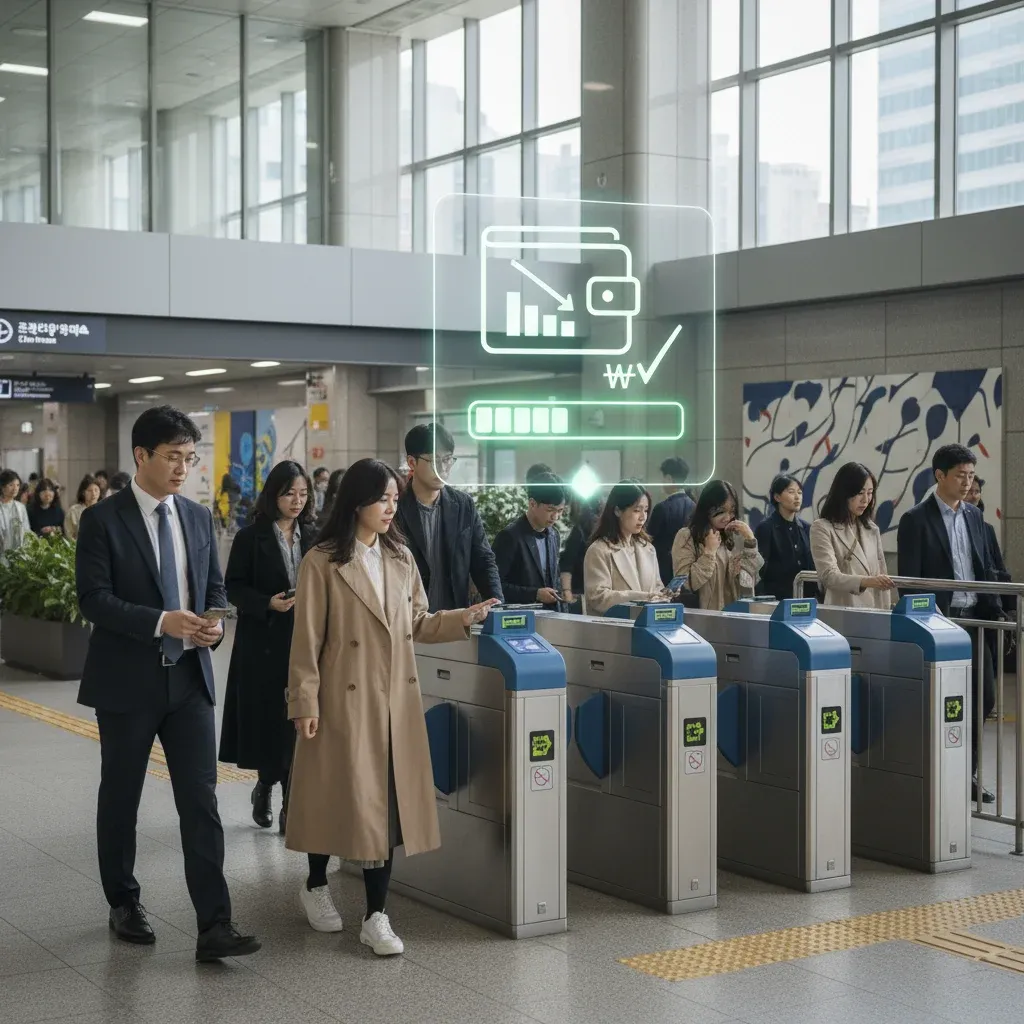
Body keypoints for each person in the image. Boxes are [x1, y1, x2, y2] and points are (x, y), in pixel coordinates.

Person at [285, 458, 497, 954]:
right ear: (357, 502)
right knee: (332, 798)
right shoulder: (322, 561)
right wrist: (304, 701)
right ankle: (315, 884)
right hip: (342, 700)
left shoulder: (400, 558)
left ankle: (376, 916)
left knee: (385, 810)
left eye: (394, 500)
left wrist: (463, 617)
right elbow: (307, 640)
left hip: (394, 701)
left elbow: (419, 621)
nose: (390, 508)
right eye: (382, 498)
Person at [75, 405, 259, 960]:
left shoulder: (198, 518)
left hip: (189, 683)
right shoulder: (103, 520)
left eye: (190, 458)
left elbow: (216, 591)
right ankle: (124, 901)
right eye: (173, 457)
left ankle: (214, 924)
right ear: (141, 456)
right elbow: (94, 600)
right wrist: (161, 622)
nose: (183, 468)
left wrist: (211, 627)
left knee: (200, 802)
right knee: (122, 797)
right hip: (127, 685)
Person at [897, 444, 1002, 803]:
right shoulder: (915, 519)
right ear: (939, 475)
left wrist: (999, 609)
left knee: (982, 698)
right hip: (939, 623)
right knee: (942, 701)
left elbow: (984, 566)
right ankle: (936, 771)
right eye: (961, 475)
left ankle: (967, 772)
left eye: (971, 475)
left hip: (975, 622)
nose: (967, 482)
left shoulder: (974, 517)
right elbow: (910, 580)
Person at [219, 460, 319, 833]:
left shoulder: (315, 536)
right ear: (273, 495)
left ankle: (291, 806)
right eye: (289, 493)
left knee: (299, 721)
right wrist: (267, 603)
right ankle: (265, 786)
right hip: (263, 641)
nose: (297, 501)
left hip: (305, 639)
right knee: (270, 723)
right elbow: (234, 586)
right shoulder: (251, 537)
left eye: (303, 493)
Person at [395, 423, 503, 612]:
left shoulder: (463, 505)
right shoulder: (395, 506)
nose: (443, 468)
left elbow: (483, 559)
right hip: (407, 618)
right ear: (412, 462)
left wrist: (497, 603)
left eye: (447, 460)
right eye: (434, 461)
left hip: (454, 618)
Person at [809, 462, 894, 609]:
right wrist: (867, 581)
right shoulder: (822, 528)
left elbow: (881, 576)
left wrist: (886, 613)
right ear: (844, 493)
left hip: (875, 613)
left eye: (870, 492)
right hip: (843, 612)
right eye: (860, 493)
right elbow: (829, 576)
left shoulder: (871, 529)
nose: (866, 500)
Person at [672, 480, 763, 610]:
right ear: (707, 509)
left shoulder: (731, 537)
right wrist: (709, 553)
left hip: (731, 616)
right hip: (701, 619)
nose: (727, 517)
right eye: (721, 511)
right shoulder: (686, 536)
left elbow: (748, 582)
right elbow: (684, 584)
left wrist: (750, 542)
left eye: (732, 511)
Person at [583, 481, 670, 616]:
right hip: (614, 629)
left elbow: (657, 587)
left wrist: (665, 594)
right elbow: (598, 597)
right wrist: (643, 597)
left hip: (648, 626)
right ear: (617, 511)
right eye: (636, 510)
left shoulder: (648, 548)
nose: (643, 517)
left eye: (645, 510)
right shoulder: (599, 550)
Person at [492, 472, 567, 607]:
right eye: (550, 509)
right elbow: (495, 586)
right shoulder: (510, 536)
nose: (556, 517)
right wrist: (535, 594)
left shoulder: (553, 535)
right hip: (520, 617)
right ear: (532, 503)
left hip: (551, 617)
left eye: (560, 510)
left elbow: (555, 581)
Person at [755, 474, 817, 600]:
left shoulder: (806, 528)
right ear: (777, 497)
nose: (797, 497)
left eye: (799, 493)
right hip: (777, 600)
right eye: (791, 492)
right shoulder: (766, 528)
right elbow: (761, 570)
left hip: (805, 599)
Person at [648, 457, 696, 585]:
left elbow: (648, 541)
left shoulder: (662, 508)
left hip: (663, 572)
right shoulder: (694, 507)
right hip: (688, 572)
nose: (662, 482)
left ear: (669, 478)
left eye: (663, 478)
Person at [559, 493, 603, 611]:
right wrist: (567, 592)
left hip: (594, 593)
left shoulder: (599, 534)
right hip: (579, 594)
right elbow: (567, 565)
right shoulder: (578, 533)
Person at [65, 474, 103, 541]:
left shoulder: (105, 510)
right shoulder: (74, 511)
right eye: (89, 491)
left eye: (96, 490)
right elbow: (69, 534)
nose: (93, 494)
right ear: (83, 493)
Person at [0, 469, 30, 551]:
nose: (15, 488)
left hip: (18, 554)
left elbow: (27, 531)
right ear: (2, 486)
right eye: (11, 485)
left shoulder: (21, 507)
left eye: (17, 485)